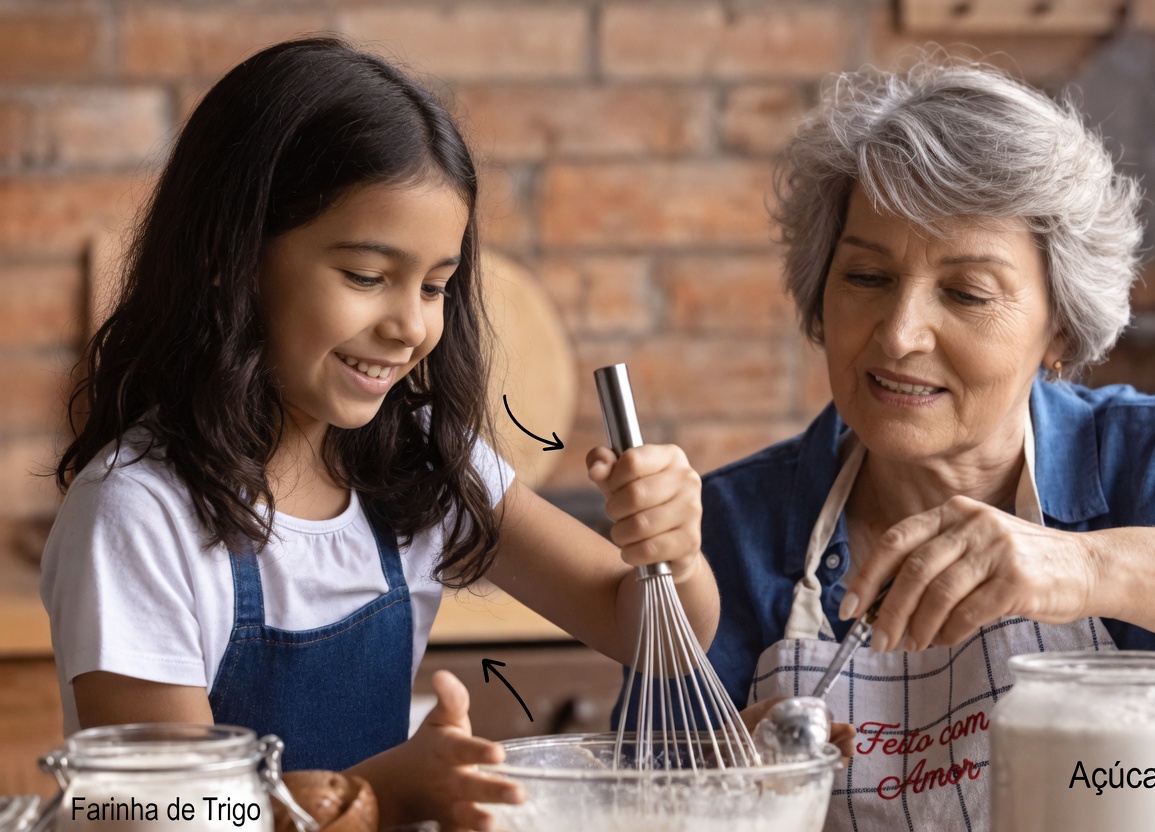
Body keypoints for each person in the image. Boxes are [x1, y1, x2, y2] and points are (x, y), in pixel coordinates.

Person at [40, 36, 718, 832]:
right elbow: (162, 810)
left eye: (436, 286)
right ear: (231, 258)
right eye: (366, 276)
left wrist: (671, 553)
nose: (409, 326)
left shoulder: (420, 459)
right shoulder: (138, 511)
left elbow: (658, 641)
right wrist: (376, 797)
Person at [704, 54, 1155, 830]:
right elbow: (635, 794)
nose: (898, 335)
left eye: (966, 293)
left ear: (1059, 326)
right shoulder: (728, 531)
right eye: (866, 277)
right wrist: (710, 785)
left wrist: (1088, 567)